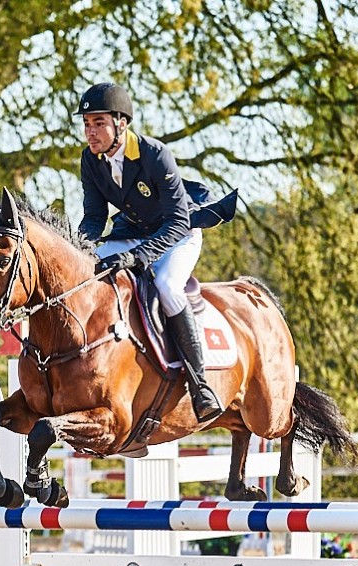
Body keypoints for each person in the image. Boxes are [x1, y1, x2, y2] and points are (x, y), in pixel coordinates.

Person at [75, 82, 224, 422]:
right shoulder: (90, 159)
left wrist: (138, 257)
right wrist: (80, 246)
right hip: (133, 233)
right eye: (86, 124)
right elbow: (95, 216)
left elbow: (176, 222)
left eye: (98, 123)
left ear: (121, 123)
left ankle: (200, 384)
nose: (90, 131)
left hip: (177, 235)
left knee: (168, 287)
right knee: (91, 271)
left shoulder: (154, 155)